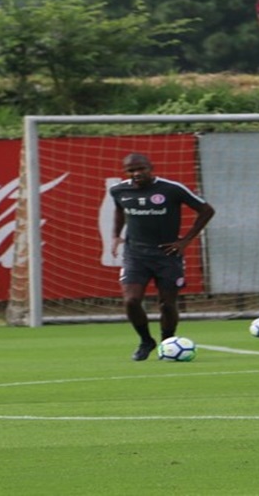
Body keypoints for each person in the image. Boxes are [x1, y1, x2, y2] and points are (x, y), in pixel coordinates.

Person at [110, 153, 216, 361]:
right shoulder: (118, 190)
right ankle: (146, 341)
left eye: (141, 168)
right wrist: (115, 235)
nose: (136, 173)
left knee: (167, 304)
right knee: (131, 300)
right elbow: (119, 210)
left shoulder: (171, 189)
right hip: (135, 255)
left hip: (167, 254)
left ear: (151, 167)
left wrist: (185, 240)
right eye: (131, 170)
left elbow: (206, 210)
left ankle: (168, 342)